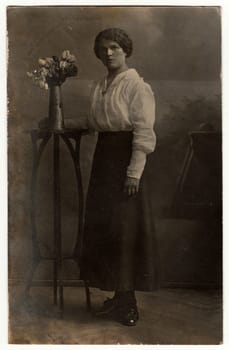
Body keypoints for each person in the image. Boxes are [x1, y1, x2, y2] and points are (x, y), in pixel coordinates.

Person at [79, 28, 159, 326]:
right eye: (103, 49)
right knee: (107, 230)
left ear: (126, 50)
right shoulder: (100, 85)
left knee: (125, 230)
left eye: (114, 47)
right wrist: (61, 120)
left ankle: (129, 304)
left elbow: (143, 133)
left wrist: (133, 173)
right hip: (104, 161)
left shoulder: (137, 86)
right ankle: (118, 298)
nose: (109, 53)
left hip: (126, 161)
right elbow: (95, 122)